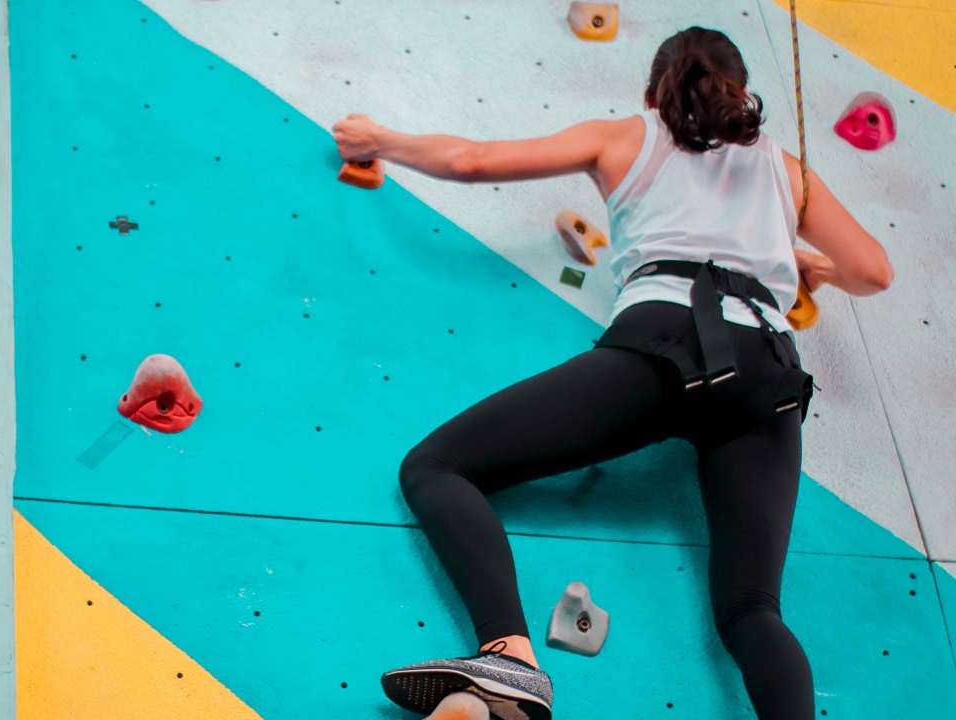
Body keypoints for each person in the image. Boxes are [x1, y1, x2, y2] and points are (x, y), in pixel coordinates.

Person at [333, 26, 893, 720]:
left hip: (666, 349)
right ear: (743, 94)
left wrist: (377, 140)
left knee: (435, 468)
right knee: (752, 610)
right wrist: (803, 263)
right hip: (768, 377)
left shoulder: (628, 135)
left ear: (652, 93)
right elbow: (874, 271)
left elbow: (473, 161)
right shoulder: (788, 170)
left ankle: (508, 658)